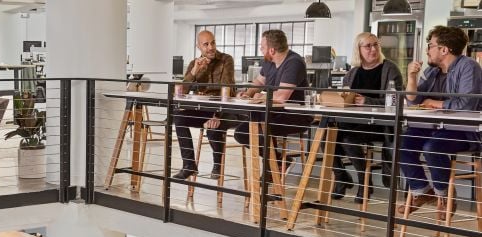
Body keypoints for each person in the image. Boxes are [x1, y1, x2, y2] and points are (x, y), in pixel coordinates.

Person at [399, 25, 482, 220]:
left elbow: (468, 104)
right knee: (401, 144)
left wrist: (434, 103)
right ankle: (422, 190)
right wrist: (411, 77)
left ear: (444, 50)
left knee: (432, 147)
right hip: (434, 128)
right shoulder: (433, 71)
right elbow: (414, 100)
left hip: (464, 131)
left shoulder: (468, 66)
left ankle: (444, 197)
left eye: (431, 45)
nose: (428, 50)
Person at [330, 32, 403, 202]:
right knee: (326, 135)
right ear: (358, 50)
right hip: (353, 122)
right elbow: (345, 96)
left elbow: (396, 99)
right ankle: (341, 176)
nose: (373, 49)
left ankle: (364, 181)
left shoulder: (390, 69)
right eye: (368, 46)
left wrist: (367, 101)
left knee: (347, 138)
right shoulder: (353, 72)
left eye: (376, 44)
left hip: (378, 125)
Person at [235, 30, 312, 173]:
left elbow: (282, 97)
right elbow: (259, 81)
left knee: (263, 127)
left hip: (294, 116)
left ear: (271, 50)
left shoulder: (294, 62)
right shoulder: (268, 61)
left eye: (262, 46)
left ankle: (269, 174)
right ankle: (277, 164)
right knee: (241, 132)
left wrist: (261, 97)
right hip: (272, 114)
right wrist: (248, 93)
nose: (260, 49)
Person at [173, 30, 240, 180]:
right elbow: (181, 92)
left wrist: (216, 114)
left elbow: (226, 89)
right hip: (204, 111)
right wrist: (195, 71)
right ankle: (189, 165)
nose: (211, 47)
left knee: (213, 127)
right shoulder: (194, 64)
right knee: (179, 117)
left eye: (213, 42)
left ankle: (217, 165)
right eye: (206, 44)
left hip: (226, 111)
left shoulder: (226, 60)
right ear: (199, 47)